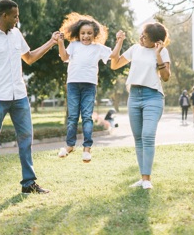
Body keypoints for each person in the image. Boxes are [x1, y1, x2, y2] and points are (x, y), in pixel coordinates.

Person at [0, 0, 60, 199]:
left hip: (19, 96)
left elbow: (29, 57)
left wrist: (52, 42)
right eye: (15, 16)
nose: (17, 19)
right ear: (4, 15)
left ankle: (28, 184)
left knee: (26, 139)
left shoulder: (16, 34)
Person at [57, 12, 125, 163]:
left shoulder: (98, 48)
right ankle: (69, 146)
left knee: (87, 116)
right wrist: (60, 43)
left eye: (89, 33)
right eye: (83, 33)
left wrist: (119, 41)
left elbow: (114, 55)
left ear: (95, 34)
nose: (86, 36)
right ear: (78, 34)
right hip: (73, 84)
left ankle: (87, 149)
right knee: (73, 117)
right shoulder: (74, 45)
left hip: (89, 85)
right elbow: (64, 57)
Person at [111, 22, 171, 190]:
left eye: (145, 37)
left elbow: (166, 77)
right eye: (142, 34)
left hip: (153, 97)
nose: (141, 38)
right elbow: (114, 65)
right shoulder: (135, 49)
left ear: (156, 41)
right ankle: (143, 178)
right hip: (134, 96)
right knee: (138, 139)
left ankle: (147, 179)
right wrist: (120, 42)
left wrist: (158, 55)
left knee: (148, 135)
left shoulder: (162, 51)